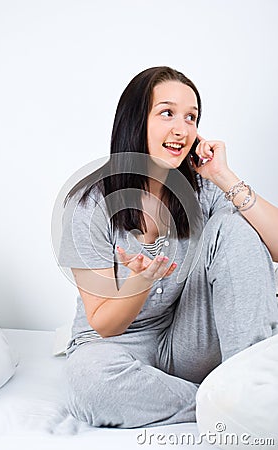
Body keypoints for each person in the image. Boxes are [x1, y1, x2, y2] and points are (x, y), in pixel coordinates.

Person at [58, 66, 278, 428]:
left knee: (236, 222)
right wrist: (137, 285)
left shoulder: (201, 191)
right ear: (135, 121)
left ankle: (251, 387)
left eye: (191, 117)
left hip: (185, 339)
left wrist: (223, 177)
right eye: (167, 113)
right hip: (117, 346)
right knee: (87, 379)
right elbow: (104, 326)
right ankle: (229, 404)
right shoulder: (90, 204)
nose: (182, 129)